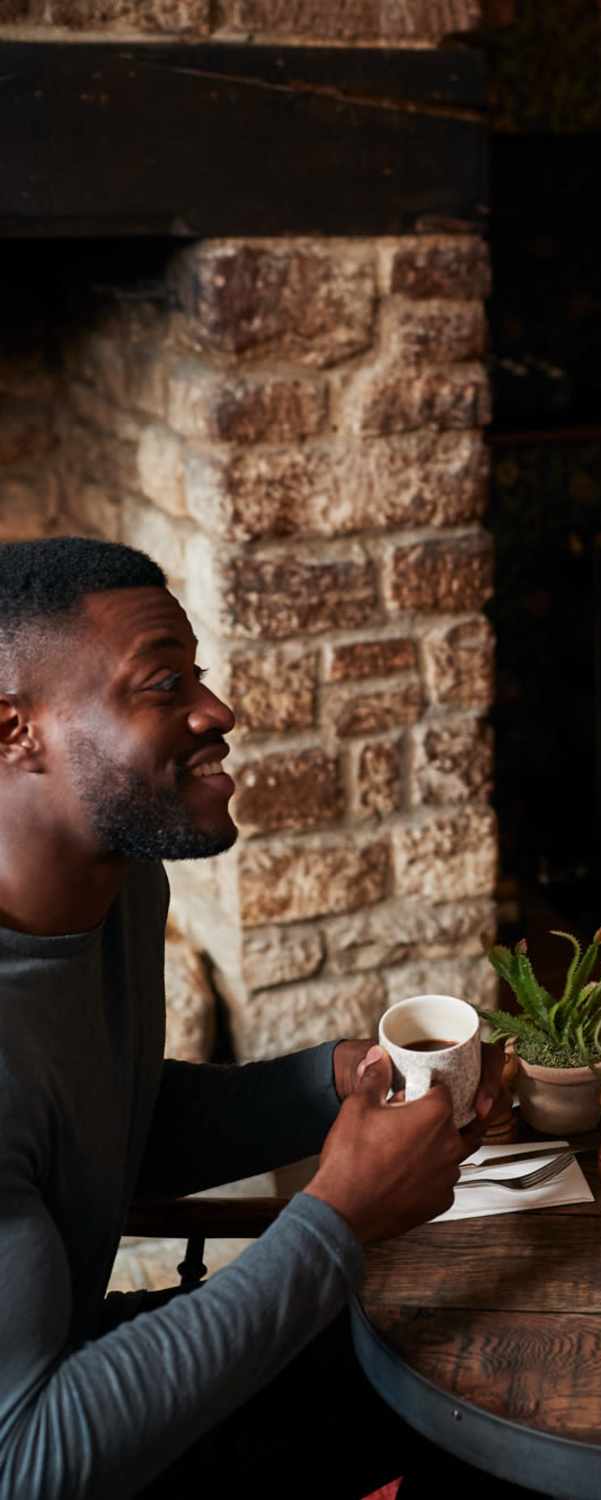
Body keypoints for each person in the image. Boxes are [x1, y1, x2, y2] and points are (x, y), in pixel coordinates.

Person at [0, 537, 510, 1498]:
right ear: (15, 729)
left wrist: (331, 1083)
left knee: (487, 1377)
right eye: (163, 685)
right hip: (48, 1444)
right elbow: (28, 1463)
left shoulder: (121, 885)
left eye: (198, 673)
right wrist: (338, 1217)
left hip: (64, 1380)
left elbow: (99, 1126)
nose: (218, 710)